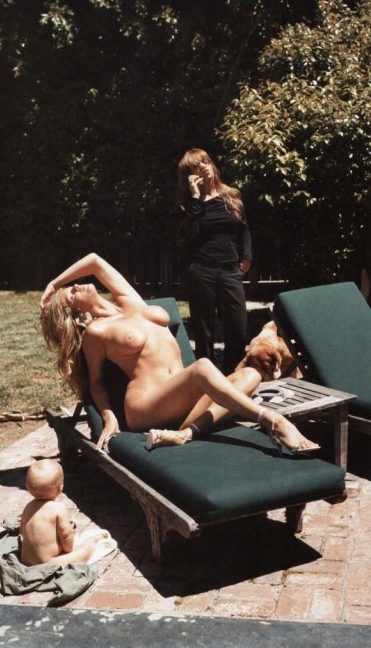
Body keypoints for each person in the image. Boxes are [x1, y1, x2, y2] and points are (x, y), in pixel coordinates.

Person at [40, 253, 319, 453]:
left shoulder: (129, 303)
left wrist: (53, 284)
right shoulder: (96, 332)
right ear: (77, 314)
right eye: (71, 294)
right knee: (203, 367)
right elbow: (97, 382)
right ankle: (272, 421)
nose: (76, 285)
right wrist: (109, 416)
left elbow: (94, 261)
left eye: (71, 286)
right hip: (146, 408)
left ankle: (185, 433)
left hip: (182, 403)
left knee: (250, 375)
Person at [176, 148, 252, 374]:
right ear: (189, 175)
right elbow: (188, 235)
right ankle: (207, 381)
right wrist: (195, 198)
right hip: (202, 272)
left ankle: (231, 379)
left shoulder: (231, 196)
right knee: (204, 333)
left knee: (238, 332)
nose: (204, 167)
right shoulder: (187, 205)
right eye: (196, 166)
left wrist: (246, 257)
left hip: (230, 271)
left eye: (206, 161)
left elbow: (244, 229)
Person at [20, 459, 109, 566]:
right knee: (83, 553)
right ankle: (94, 540)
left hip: (25, 559)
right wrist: (69, 549)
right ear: (60, 488)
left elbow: (22, 532)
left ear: (28, 487)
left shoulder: (28, 507)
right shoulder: (58, 508)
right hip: (48, 563)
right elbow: (66, 535)